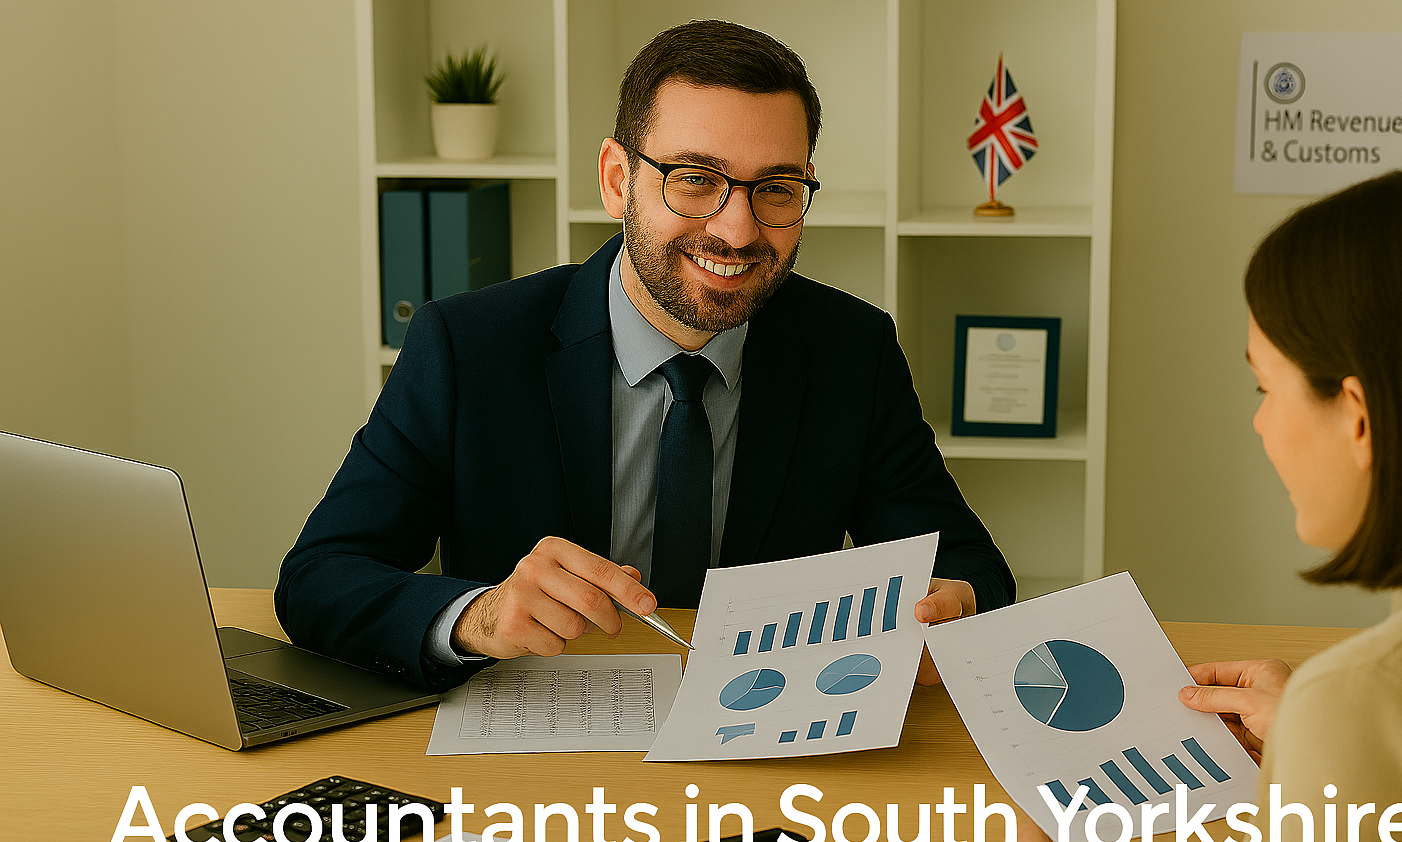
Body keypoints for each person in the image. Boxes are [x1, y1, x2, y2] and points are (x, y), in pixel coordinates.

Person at [276, 21, 1013, 691]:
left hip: (768, 737)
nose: (736, 229)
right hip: (529, 741)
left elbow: (972, 566)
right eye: (696, 180)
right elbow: (318, 578)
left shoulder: (854, 349)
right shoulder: (467, 347)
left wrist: (955, 605)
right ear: (617, 180)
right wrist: (481, 614)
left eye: (777, 189)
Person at [966, 162, 1402, 842]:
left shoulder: (1374, 708)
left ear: (1359, 416)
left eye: (1266, 387)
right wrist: (1321, 738)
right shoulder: (1384, 704)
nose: (1260, 422)